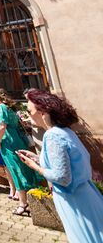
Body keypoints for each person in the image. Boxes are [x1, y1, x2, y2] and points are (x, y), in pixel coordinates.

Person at [18, 89, 103, 243]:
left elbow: (62, 177)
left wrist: (34, 166)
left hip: (74, 200)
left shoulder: (52, 136)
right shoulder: (66, 131)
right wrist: (38, 159)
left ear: (43, 112)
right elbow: (67, 163)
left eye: (29, 112)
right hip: (87, 195)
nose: (28, 117)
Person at [0, 88, 41, 216]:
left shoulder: (0, 108)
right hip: (17, 140)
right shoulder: (8, 108)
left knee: (16, 170)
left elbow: (2, 125)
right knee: (23, 168)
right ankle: (30, 200)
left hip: (8, 142)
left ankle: (23, 204)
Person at [0, 106, 18, 200]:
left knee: (14, 164)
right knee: (6, 165)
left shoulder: (8, 109)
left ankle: (18, 189)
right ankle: (12, 188)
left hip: (8, 140)